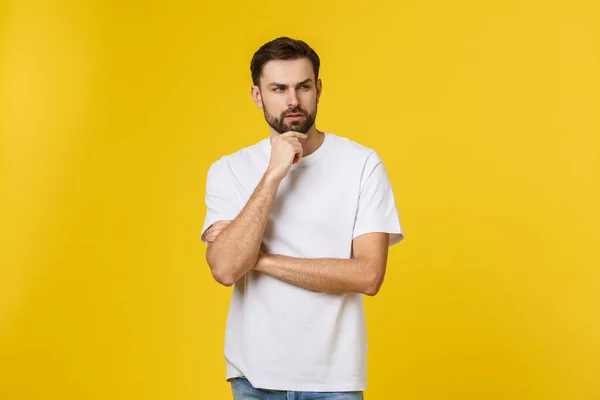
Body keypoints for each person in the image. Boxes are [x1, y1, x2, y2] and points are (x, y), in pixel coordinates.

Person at [200, 36, 404, 400]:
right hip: (255, 378)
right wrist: (273, 174)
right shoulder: (229, 170)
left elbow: (369, 275)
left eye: (303, 86)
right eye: (278, 88)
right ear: (257, 95)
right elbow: (226, 269)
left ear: (319, 89)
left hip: (335, 381)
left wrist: (259, 260)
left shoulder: (361, 164)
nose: (293, 100)